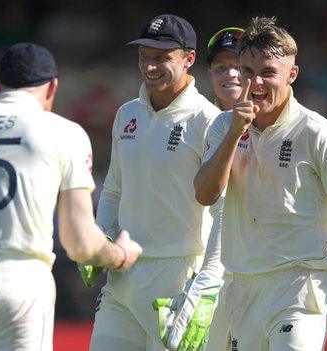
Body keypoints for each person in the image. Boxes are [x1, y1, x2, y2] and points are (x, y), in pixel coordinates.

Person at [194, 17, 327, 350]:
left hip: (300, 287)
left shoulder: (318, 134)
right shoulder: (223, 127)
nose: (256, 83)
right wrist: (235, 132)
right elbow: (205, 194)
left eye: (268, 73)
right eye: (247, 72)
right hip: (242, 288)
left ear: (292, 75)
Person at [0, 42, 142, 351]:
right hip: (18, 279)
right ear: (53, 86)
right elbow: (80, 244)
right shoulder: (62, 132)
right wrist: (120, 256)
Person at [86, 14, 224, 351]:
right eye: (144, 57)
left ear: (189, 59)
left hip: (177, 279)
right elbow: (114, 189)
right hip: (123, 274)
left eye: (162, 58)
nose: (150, 67)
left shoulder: (208, 120)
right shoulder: (127, 114)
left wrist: (207, 283)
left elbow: (224, 208)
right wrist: (101, 237)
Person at [204, 26, 327, 351]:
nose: (233, 76)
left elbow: (311, 207)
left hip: (261, 279)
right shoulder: (201, 122)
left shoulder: (288, 127)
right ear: (207, 72)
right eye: (221, 67)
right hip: (208, 278)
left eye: (238, 67)